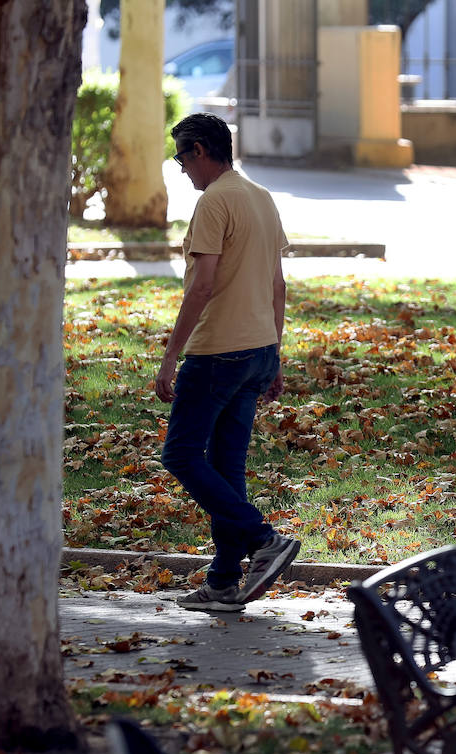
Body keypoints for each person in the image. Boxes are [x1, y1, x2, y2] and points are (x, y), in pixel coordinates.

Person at [156, 113, 299, 610]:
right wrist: (274, 352)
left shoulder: (214, 201)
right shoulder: (260, 197)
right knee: (226, 468)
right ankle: (221, 584)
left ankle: (265, 541)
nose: (182, 170)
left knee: (179, 456)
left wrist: (170, 356)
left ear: (199, 150)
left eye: (181, 158)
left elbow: (203, 284)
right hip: (257, 349)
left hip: (217, 351)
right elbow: (278, 284)